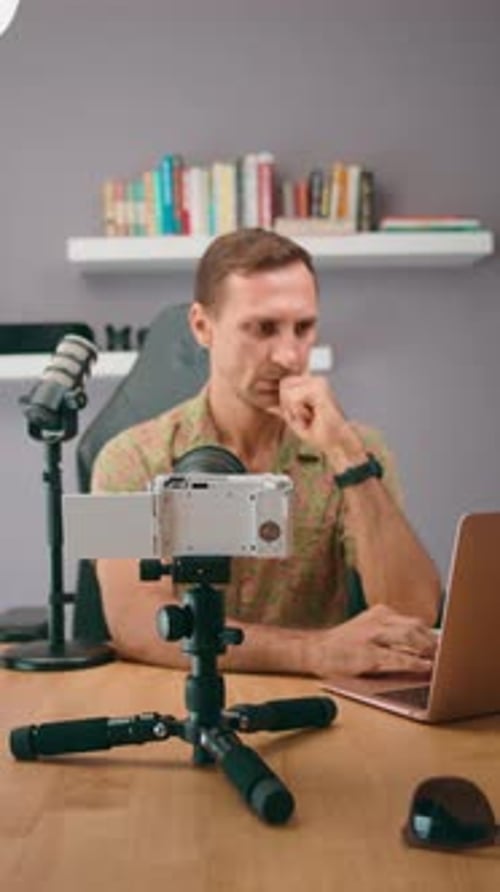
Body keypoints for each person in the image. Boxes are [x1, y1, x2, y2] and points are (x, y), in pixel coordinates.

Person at [92, 227, 442, 678]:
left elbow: (412, 614)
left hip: (315, 712)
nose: (289, 355)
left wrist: (346, 455)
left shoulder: (362, 449)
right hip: (179, 708)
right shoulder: (125, 457)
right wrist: (313, 653)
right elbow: (132, 623)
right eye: (262, 328)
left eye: (304, 327)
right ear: (203, 327)